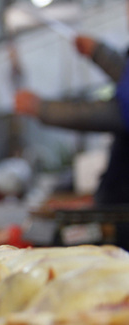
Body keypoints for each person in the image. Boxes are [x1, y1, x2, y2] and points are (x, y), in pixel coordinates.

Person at [15, 34, 129, 248]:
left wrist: (43, 109)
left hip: (121, 221)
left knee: (52, 237)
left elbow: (119, 113)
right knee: (45, 235)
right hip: (113, 209)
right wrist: (99, 52)